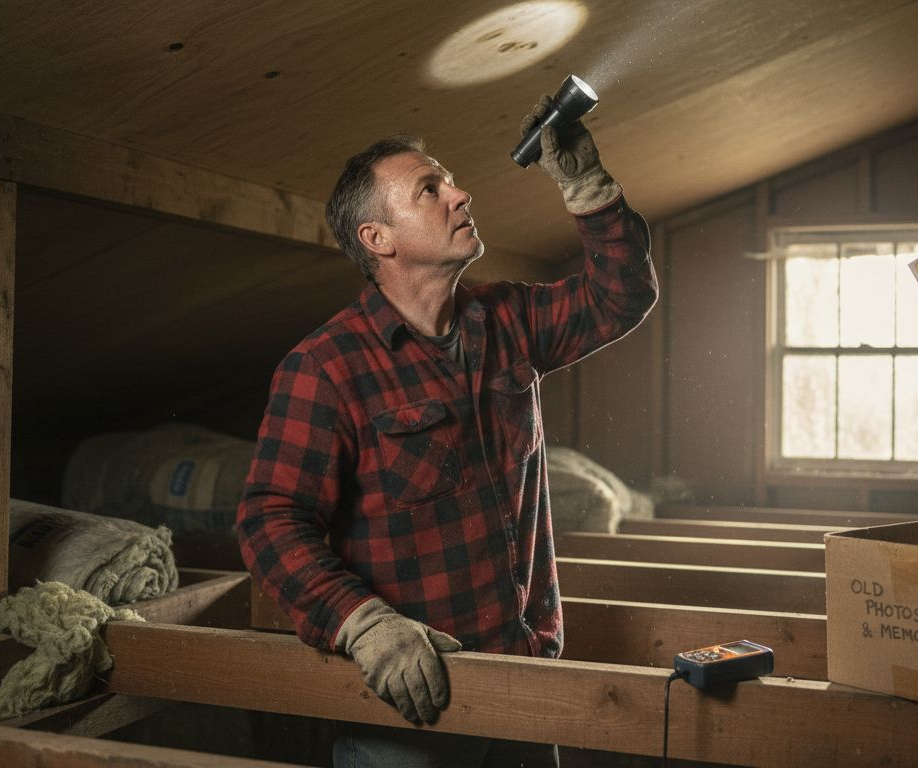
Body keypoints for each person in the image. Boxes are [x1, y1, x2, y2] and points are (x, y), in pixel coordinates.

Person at [236, 93, 657, 767]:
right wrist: (361, 624)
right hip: (415, 708)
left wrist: (587, 185)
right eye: (430, 189)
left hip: (526, 679)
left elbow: (621, 296)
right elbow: (270, 520)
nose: (460, 195)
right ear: (378, 238)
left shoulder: (505, 319)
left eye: (450, 181)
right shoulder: (327, 367)